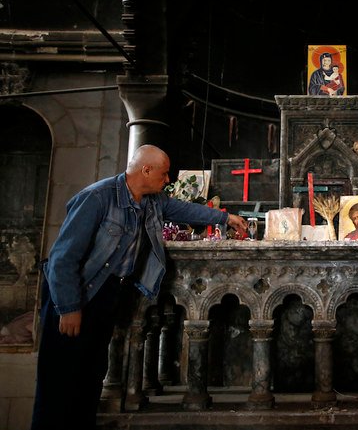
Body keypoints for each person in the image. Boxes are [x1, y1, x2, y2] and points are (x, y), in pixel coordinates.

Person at [31, 144, 247, 430]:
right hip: (76, 295)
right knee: (59, 382)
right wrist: (69, 307)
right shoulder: (97, 198)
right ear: (145, 170)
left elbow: (183, 209)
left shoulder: (152, 200)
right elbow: (62, 259)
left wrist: (225, 218)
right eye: (164, 173)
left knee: (90, 377)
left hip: (107, 295)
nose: (168, 179)